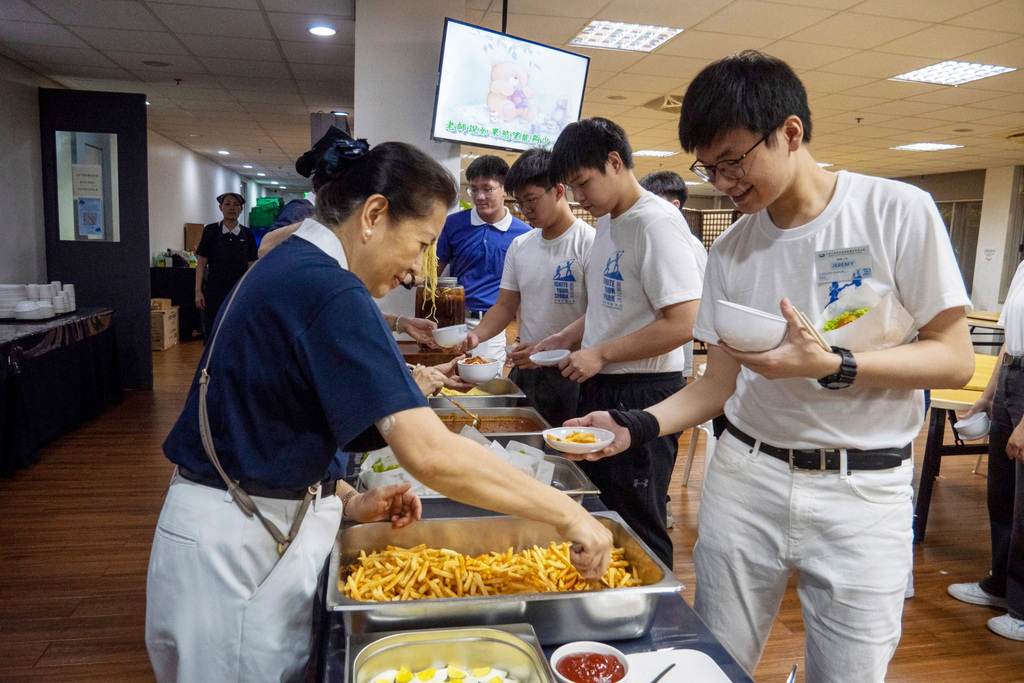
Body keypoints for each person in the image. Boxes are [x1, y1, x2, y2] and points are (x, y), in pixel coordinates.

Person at [565, 51, 975, 682]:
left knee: (849, 671)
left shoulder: (896, 210)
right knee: (719, 660)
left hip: (862, 490)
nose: (724, 181)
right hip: (747, 478)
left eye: (734, 160)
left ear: (790, 132)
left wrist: (834, 363)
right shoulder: (731, 248)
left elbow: (954, 357)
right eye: (710, 166)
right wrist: (635, 426)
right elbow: (718, 385)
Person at [145, 133, 613, 683]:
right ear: (373, 214)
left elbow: (269, 414)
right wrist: (571, 513)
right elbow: (431, 454)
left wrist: (346, 498)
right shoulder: (331, 290)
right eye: (420, 244)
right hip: (237, 540)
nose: (418, 271)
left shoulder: (292, 268)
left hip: (238, 518)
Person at [533, 117, 705, 569]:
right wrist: (568, 336)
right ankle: (605, 605)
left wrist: (602, 352)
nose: (578, 198)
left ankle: (654, 613)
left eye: (583, 183)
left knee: (640, 520)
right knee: (601, 511)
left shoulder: (657, 224)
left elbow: (686, 320)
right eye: (570, 187)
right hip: (603, 386)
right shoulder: (610, 221)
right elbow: (616, 303)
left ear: (614, 162)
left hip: (643, 394)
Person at [460, 148, 595, 427]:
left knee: (566, 450)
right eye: (520, 203)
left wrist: (549, 351)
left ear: (558, 191)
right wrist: (475, 337)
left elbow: (601, 314)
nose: (525, 210)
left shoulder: (589, 242)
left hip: (575, 371)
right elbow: (505, 306)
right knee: (523, 446)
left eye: (531, 200)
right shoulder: (521, 245)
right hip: (528, 370)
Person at [948, 260, 1024, 641]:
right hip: (1012, 373)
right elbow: (1011, 340)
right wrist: (986, 397)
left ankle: (1023, 608)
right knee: (1002, 492)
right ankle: (1000, 584)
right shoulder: (1023, 268)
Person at [437, 155, 530, 366]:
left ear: (505, 189)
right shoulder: (453, 224)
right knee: (446, 384)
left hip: (491, 326)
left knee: (485, 390)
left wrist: (519, 339)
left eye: (487, 189)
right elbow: (432, 274)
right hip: (452, 323)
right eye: (473, 189)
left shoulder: (523, 234)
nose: (479, 196)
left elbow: (523, 293)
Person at [638, 170, 708, 379]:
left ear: (674, 206)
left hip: (675, 350)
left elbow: (701, 299)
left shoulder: (689, 245)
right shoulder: (648, 238)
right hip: (650, 346)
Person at [194, 192, 258, 343]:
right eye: (227, 204)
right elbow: (201, 263)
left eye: (236, 205)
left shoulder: (247, 234)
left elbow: (251, 265)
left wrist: (252, 291)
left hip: (239, 291)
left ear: (241, 209)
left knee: (237, 332)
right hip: (214, 292)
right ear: (220, 207)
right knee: (213, 333)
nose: (232, 208)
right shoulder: (210, 231)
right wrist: (198, 292)